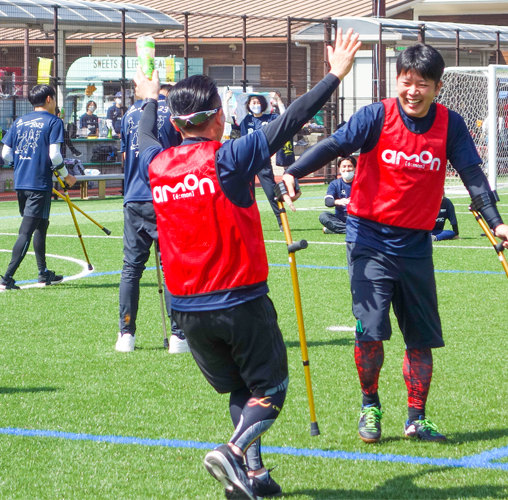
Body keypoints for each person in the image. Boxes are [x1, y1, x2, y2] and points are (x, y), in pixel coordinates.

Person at [135, 28, 361, 500]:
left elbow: (142, 136)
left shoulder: (155, 164)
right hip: (238, 299)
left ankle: (252, 476)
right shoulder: (230, 158)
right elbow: (292, 120)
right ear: (219, 116)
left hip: (185, 311)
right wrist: (335, 74)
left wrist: (149, 98)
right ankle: (235, 451)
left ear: (176, 126)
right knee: (272, 390)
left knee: (243, 388)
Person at [282, 43, 508, 445]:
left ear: (437, 87)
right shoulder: (377, 115)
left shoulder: (451, 124)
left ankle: (417, 418)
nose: (413, 91)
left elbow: (473, 176)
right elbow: (335, 144)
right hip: (368, 239)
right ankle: (370, 405)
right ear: (397, 81)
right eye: (406, 82)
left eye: (422, 84)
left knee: (422, 337)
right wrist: (294, 171)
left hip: (415, 243)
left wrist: (496, 223)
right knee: (371, 332)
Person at [115, 84, 188, 353]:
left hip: (134, 196)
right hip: (166, 196)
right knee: (171, 267)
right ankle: (179, 336)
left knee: (131, 269)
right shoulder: (174, 112)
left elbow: (125, 157)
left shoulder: (128, 115)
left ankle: (126, 335)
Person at [0, 85, 77, 290]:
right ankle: (6, 279)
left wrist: (20, 164)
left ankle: (43, 274)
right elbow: (55, 156)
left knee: (41, 225)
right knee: (26, 232)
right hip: (39, 184)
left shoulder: (19, 121)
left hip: (21, 183)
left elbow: (5, 154)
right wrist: (66, 177)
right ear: (49, 99)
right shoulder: (54, 122)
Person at [239, 92, 286, 231]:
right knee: (247, 194)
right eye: (253, 103)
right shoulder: (245, 119)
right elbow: (230, 118)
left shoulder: (269, 118)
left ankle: (282, 222)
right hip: (246, 160)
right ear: (248, 105)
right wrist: (228, 99)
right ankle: (247, 224)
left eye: (258, 102)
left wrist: (278, 100)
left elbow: (284, 118)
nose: (256, 105)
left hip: (262, 160)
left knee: (271, 192)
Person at [320, 156, 356, 234]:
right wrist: (338, 202)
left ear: (355, 168)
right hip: (341, 217)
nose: (347, 169)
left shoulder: (361, 182)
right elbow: (328, 202)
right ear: (339, 168)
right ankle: (353, 230)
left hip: (358, 216)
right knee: (323, 216)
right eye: (344, 166)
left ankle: (336, 229)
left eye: (350, 166)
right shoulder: (335, 184)